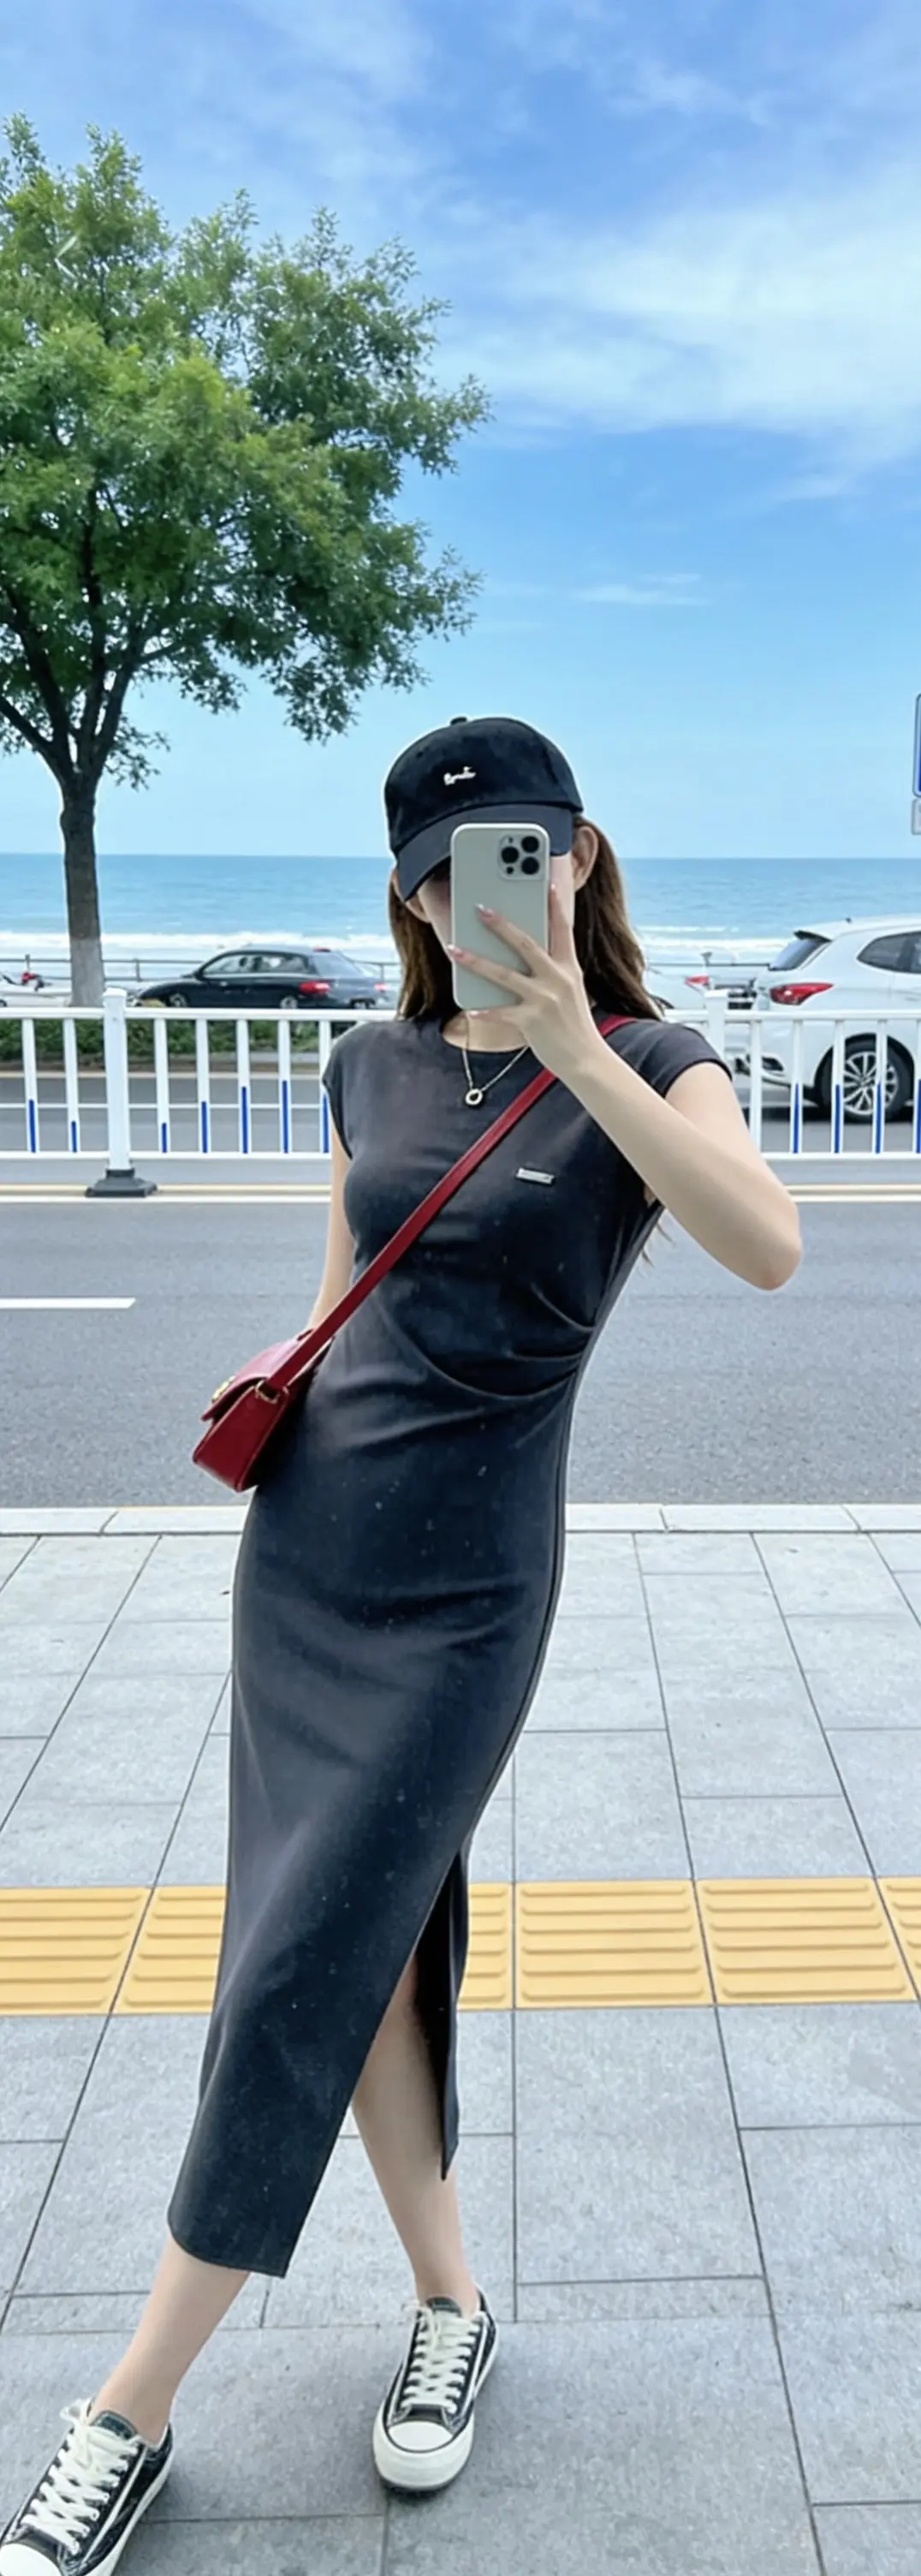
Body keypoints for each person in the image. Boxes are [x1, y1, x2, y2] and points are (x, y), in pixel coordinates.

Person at [0, 715, 801, 2573]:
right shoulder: (366, 1062)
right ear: (409, 898)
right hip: (308, 1554)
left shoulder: (655, 1062)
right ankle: (454, 2304)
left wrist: (577, 1047)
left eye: (510, 856)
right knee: (348, 1952)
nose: (473, 896)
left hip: (468, 1594)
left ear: (575, 861)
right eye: (437, 874)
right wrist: (275, 1377)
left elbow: (765, 1244)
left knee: (295, 1966)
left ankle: (125, 2412)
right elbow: (339, 1291)